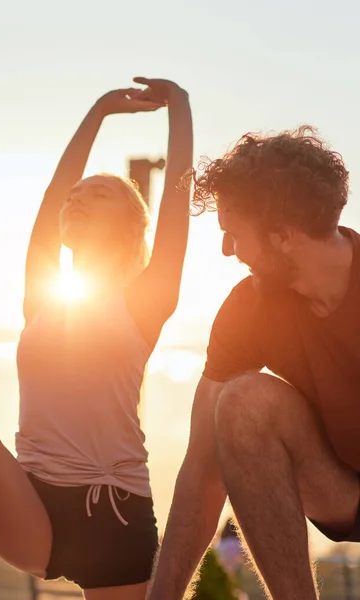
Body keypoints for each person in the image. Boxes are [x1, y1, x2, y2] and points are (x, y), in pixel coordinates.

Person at [0, 77, 192, 600]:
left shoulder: (145, 300)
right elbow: (53, 191)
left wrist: (180, 103)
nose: (78, 199)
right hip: (32, 504)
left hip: (113, 514)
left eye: (100, 193)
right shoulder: (44, 299)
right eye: (76, 197)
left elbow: (180, 195)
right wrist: (99, 112)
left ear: (132, 223)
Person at [146, 126, 360, 600]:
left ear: (283, 236)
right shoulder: (250, 308)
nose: (228, 251)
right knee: (242, 400)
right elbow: (201, 466)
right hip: (344, 489)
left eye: (232, 234)